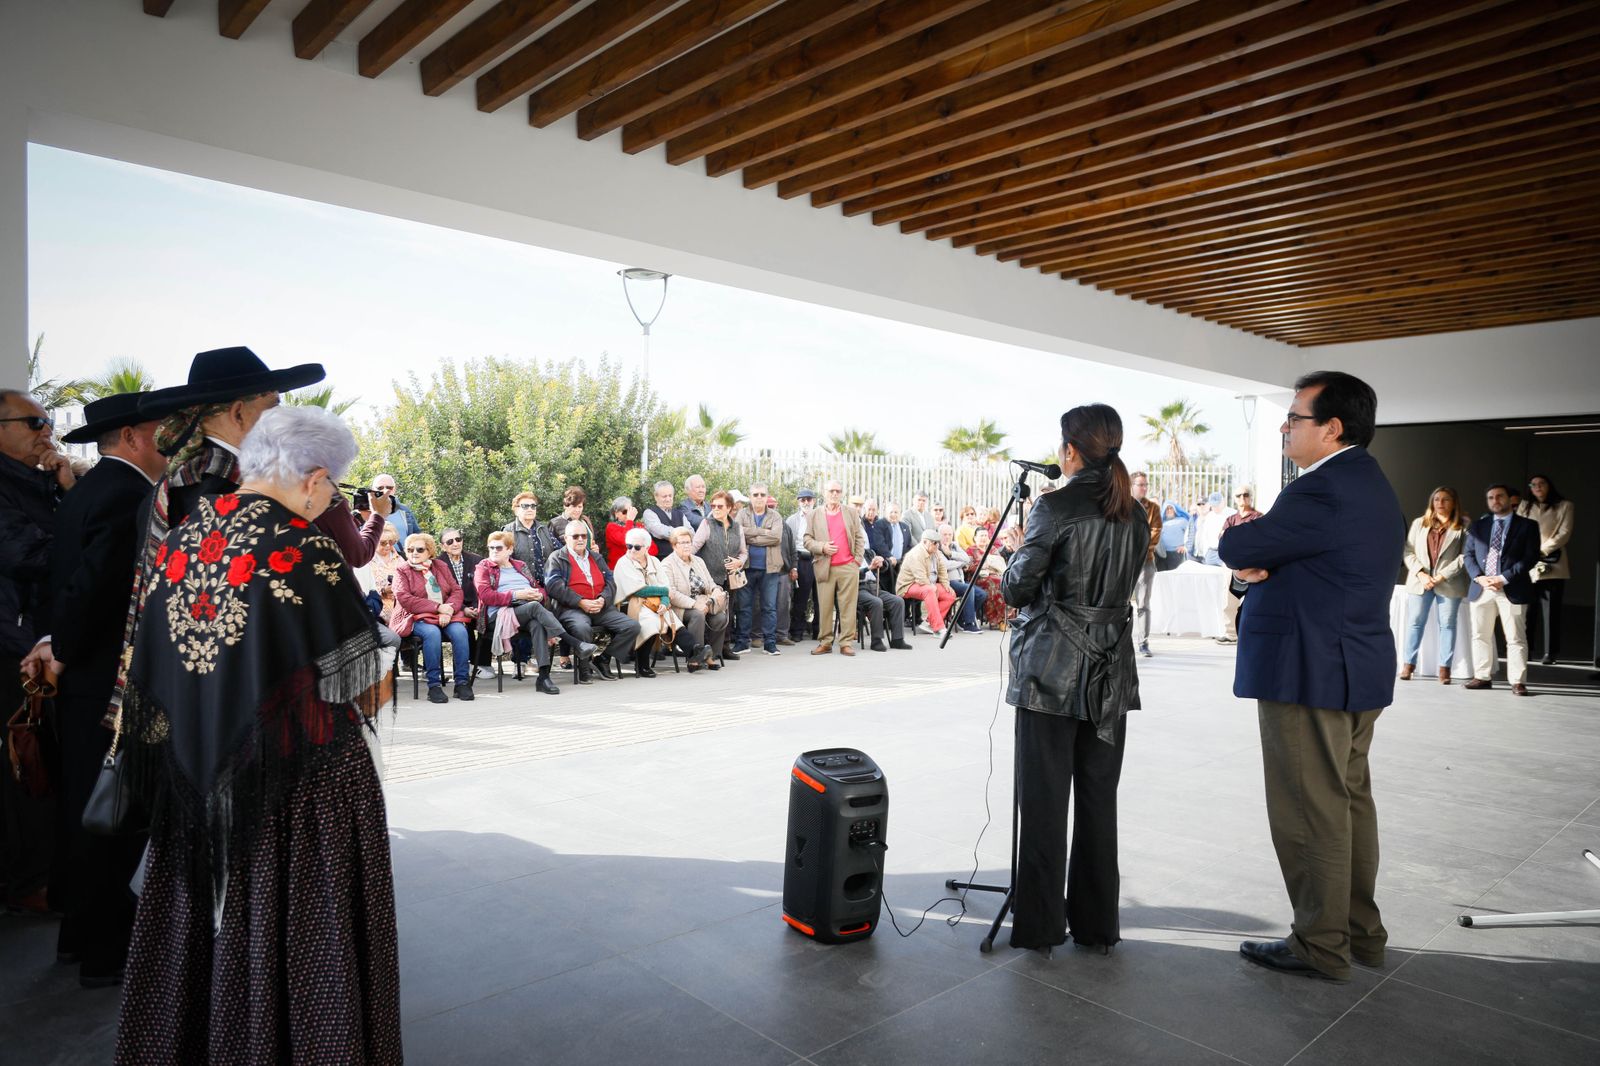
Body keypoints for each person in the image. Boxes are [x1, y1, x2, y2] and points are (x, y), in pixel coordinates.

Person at [115, 404, 400, 1062]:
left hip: (194, 770)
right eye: (332, 487)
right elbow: (359, 675)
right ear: (315, 478)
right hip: (299, 787)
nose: (329, 499)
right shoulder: (300, 546)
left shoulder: (185, 535)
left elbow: (149, 659)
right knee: (302, 934)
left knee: (198, 938)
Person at [1220, 370, 1404, 983]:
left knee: (1309, 810)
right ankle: (1359, 934)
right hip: (1353, 666)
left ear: (1332, 428)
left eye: (1294, 416)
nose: (1283, 425)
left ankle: (1320, 944)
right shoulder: (1367, 481)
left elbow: (1240, 545)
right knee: (1347, 804)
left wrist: (1245, 550)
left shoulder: (1320, 489)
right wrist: (1258, 562)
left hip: (1309, 672)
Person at [29, 393, 175, 986]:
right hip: (109, 682)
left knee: (90, 811)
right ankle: (105, 952)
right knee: (116, 818)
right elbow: (95, 587)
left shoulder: (91, 489)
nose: (170, 440)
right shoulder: (127, 495)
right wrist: (63, 649)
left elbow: (64, 580)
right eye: (161, 430)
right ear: (135, 436)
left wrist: (55, 644)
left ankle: (79, 937)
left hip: (87, 678)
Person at [1002, 403, 1147, 954]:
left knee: (1044, 804)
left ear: (1070, 450)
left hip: (1052, 671)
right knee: (1098, 800)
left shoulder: (1054, 506)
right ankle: (1096, 925)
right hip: (1111, 670)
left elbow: (1018, 589)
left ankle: (1041, 927)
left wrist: (1016, 556)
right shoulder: (1134, 512)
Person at [0, 388, 75, 913]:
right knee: (24, 763)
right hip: (15, 647)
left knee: (45, 760)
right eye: (33, 422)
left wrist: (66, 489)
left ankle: (43, 874)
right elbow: (33, 554)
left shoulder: (43, 484)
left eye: (47, 421)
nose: (46, 430)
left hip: (43, 643)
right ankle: (27, 882)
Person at [475, 531, 593, 693]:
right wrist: (517, 595)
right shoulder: (483, 567)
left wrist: (539, 595)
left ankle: (543, 677)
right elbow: (486, 596)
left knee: (537, 624)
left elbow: (538, 587)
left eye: (499, 547)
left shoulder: (520, 565)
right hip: (498, 616)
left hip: (525, 610)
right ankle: (575, 643)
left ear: (510, 549)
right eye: (491, 548)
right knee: (534, 608)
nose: (494, 551)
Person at [1462, 484, 1541, 695]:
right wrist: (1479, 577)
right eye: (1490, 497)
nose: (1495, 500)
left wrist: (1503, 578)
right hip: (1482, 588)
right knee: (1480, 635)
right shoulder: (1478, 526)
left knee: (1515, 637)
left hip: (1512, 588)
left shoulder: (1528, 526)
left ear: (1509, 499)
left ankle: (1517, 681)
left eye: (1499, 496)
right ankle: (1482, 677)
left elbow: (1530, 557)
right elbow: (1468, 555)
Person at [545, 522, 645, 679]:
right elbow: (553, 586)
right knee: (581, 627)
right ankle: (584, 667)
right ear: (566, 538)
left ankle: (603, 660)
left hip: (600, 608)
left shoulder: (596, 557)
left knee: (631, 626)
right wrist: (580, 601)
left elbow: (611, 582)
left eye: (584, 536)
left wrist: (603, 599)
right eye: (575, 536)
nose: (580, 539)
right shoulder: (557, 557)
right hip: (571, 609)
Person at [391, 532, 474, 703]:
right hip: (413, 616)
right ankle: (434, 686)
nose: (414, 553)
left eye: (420, 549)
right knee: (432, 633)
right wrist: (437, 607)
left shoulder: (440, 566)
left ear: (429, 551)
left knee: (460, 631)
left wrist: (448, 610)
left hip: (445, 614)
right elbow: (404, 598)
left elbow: (456, 591)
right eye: (410, 550)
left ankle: (462, 683)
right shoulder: (402, 570)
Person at [1400, 487, 1467, 684]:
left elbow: (1465, 556)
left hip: (1449, 583)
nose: (1440, 503)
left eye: (1445, 499)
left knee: (1447, 625)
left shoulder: (1463, 526)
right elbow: (1408, 551)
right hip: (1420, 581)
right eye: (1436, 499)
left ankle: (1444, 669)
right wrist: (1421, 574)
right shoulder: (1419, 523)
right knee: (1415, 622)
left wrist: (1440, 577)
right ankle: (1408, 666)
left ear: (1454, 503)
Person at [614, 527, 695, 667]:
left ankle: (695, 651)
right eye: (629, 546)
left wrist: (665, 602)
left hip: (654, 603)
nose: (632, 550)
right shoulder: (623, 562)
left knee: (670, 617)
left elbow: (665, 584)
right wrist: (665, 592)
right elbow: (639, 590)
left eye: (637, 547)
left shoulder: (654, 561)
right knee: (651, 621)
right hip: (631, 605)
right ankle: (643, 664)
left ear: (647, 548)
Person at [804, 481, 867, 656]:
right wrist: (822, 547)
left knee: (848, 606)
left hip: (848, 566)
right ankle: (825, 642)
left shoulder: (851, 513)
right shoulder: (814, 515)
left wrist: (857, 561)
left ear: (842, 493)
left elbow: (859, 537)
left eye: (838, 491)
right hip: (825, 566)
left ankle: (846, 643)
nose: (834, 494)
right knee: (824, 607)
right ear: (824, 492)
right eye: (831, 490)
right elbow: (807, 540)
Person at [1518, 475, 1574, 665]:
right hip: (1528, 564)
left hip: (1553, 563)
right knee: (1528, 610)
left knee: (1551, 611)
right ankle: (1526, 649)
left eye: (1541, 483)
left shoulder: (1564, 506)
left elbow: (1564, 533)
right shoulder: (1525, 506)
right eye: (1533, 484)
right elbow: (1518, 531)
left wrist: (1541, 551)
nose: (1537, 487)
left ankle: (1551, 652)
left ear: (1549, 485)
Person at [690, 491, 748, 659]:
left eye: (719, 506)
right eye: (713, 505)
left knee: (728, 613)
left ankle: (724, 648)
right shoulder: (706, 524)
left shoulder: (737, 527)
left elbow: (744, 552)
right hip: (710, 579)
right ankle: (708, 650)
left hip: (731, 579)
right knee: (711, 613)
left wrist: (739, 562)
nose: (715, 509)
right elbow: (693, 548)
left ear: (729, 508)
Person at [661, 528, 727, 670]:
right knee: (698, 615)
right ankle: (695, 657)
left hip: (704, 602)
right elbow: (672, 594)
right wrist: (694, 604)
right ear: (674, 545)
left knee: (720, 617)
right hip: (680, 607)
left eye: (688, 542)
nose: (687, 546)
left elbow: (710, 583)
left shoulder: (698, 561)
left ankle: (712, 655)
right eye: (682, 543)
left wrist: (716, 590)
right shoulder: (667, 564)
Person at [736, 484, 784, 655]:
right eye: (755, 494)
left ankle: (770, 644)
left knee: (769, 607)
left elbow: (776, 537)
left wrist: (751, 537)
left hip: (769, 569)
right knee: (744, 607)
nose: (759, 497)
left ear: (766, 497)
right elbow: (738, 533)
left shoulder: (775, 516)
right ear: (750, 497)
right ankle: (742, 642)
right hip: (746, 567)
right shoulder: (742, 514)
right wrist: (764, 532)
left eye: (762, 494)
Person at [1214, 486, 1264, 646]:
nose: (1242, 498)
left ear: (1251, 497)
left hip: (1251, 564)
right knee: (1229, 599)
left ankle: (1251, 632)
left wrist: (1235, 538)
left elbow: (1257, 538)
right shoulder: (1231, 519)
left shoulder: (1258, 517)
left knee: (1252, 599)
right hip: (1232, 565)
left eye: (1246, 494)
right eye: (1239, 495)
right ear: (1234, 498)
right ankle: (1231, 634)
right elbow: (1222, 538)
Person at [439, 527, 491, 677]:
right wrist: (462, 609)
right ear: (443, 546)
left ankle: (481, 664)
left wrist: (475, 607)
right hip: (452, 608)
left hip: (476, 605)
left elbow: (483, 587)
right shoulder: (437, 564)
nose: (455, 543)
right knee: (462, 625)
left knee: (488, 620)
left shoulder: (477, 560)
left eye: (458, 539)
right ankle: (465, 666)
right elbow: (441, 594)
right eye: (450, 541)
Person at [896, 529, 957, 635]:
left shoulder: (937, 552)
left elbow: (942, 570)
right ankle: (938, 628)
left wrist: (946, 585)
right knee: (929, 590)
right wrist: (932, 587)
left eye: (938, 543)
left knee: (950, 594)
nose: (937, 545)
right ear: (924, 542)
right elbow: (920, 578)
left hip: (927, 584)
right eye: (934, 543)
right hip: (908, 585)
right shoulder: (916, 554)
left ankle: (929, 623)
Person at [855, 552, 910, 652]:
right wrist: (868, 568)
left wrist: (882, 563)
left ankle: (897, 639)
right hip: (858, 589)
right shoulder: (847, 554)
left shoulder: (868, 553)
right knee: (876, 602)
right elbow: (850, 575)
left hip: (874, 587)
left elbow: (883, 569)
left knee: (898, 601)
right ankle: (876, 641)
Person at [939, 523, 986, 632]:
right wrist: (961, 563)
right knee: (969, 589)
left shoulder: (954, 546)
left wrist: (951, 553)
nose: (947, 537)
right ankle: (969, 624)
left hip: (960, 580)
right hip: (948, 582)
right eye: (945, 534)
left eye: (950, 534)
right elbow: (945, 565)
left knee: (982, 594)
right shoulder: (937, 549)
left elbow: (967, 559)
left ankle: (960, 618)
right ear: (939, 535)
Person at [786, 488, 819, 641]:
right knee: (801, 597)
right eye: (803, 500)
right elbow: (788, 544)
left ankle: (819, 631)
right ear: (798, 502)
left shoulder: (821, 518)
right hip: (801, 560)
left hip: (819, 559)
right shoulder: (791, 520)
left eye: (809, 499)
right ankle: (797, 631)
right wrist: (793, 566)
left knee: (821, 598)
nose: (806, 502)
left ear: (814, 501)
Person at [505, 490, 559, 582]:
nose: (530, 509)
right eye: (525, 506)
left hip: (548, 583)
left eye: (533, 506)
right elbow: (503, 561)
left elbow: (560, 552)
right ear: (516, 510)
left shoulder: (544, 529)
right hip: (520, 584)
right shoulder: (508, 531)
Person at [966, 527, 1008, 628]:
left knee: (1003, 582)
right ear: (975, 538)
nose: (984, 538)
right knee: (994, 583)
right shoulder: (971, 550)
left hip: (994, 575)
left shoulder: (992, 549)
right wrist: (981, 566)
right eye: (981, 535)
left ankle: (1005, 618)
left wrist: (989, 567)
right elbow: (967, 567)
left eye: (985, 535)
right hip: (977, 578)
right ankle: (998, 620)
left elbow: (1000, 564)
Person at [605, 496, 656, 568]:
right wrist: (629, 521)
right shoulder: (611, 527)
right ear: (616, 513)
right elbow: (624, 541)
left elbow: (653, 547)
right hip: (621, 568)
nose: (628, 514)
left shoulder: (638, 526)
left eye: (630, 511)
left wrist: (641, 558)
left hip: (640, 567)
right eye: (625, 512)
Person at [641, 480, 689, 556]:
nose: (668, 499)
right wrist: (682, 534)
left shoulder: (680, 514)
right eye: (664, 496)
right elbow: (660, 531)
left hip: (682, 558)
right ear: (656, 497)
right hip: (661, 559)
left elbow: (691, 532)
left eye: (670, 496)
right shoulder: (649, 513)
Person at [370, 472, 419, 540]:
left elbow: (417, 536)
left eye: (389, 488)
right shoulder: (365, 512)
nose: (385, 491)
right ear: (373, 489)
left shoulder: (404, 510)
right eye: (380, 488)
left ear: (394, 489)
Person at [1157, 500, 1190, 571]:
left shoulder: (1182, 521)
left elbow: (1190, 534)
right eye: (1167, 509)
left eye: (1171, 508)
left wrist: (1185, 546)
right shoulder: (1160, 522)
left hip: (1177, 554)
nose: (1169, 510)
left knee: (1176, 576)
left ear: (1175, 510)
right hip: (1162, 554)